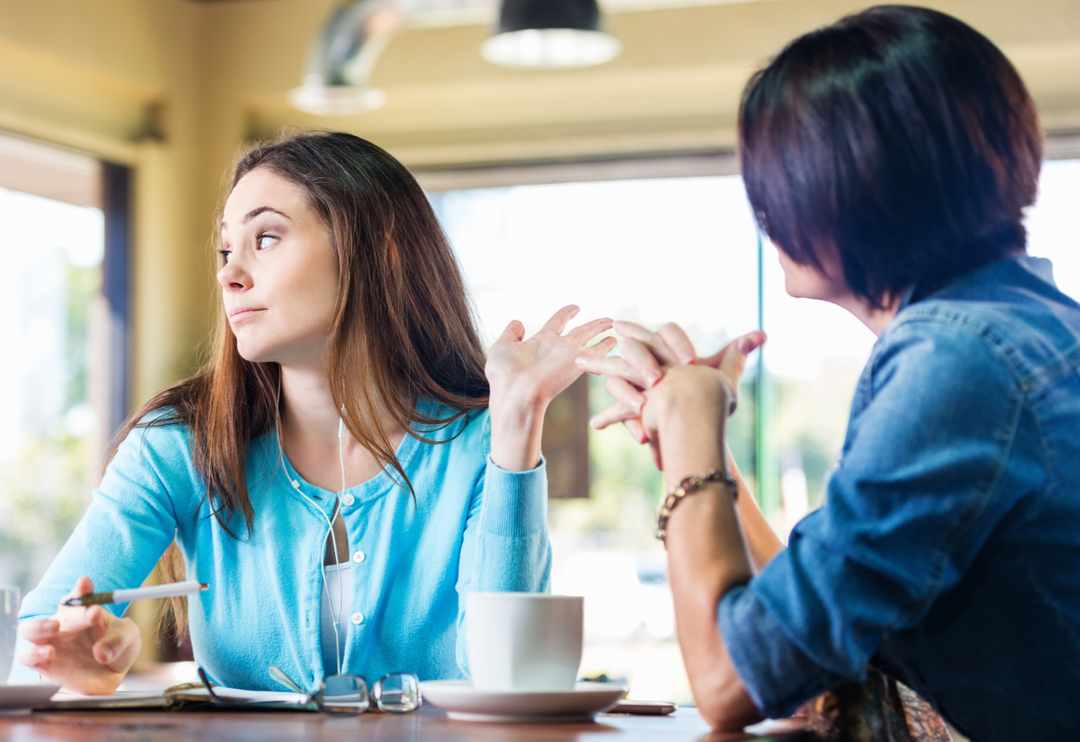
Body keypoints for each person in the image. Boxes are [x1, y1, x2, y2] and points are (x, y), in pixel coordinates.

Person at [577, 6, 1080, 741]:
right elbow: (805, 627)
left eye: (776, 180)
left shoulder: (955, 364)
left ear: (853, 184)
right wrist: (698, 441)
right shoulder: (1025, 329)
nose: (765, 212)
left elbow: (730, 680)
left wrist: (686, 427)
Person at [14, 131, 615, 695]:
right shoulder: (178, 444)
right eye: (225, 248)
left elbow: (509, 679)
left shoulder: (481, 446)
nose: (228, 274)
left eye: (265, 238)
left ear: (379, 253)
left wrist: (516, 424)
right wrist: (67, 651)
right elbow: (46, 627)